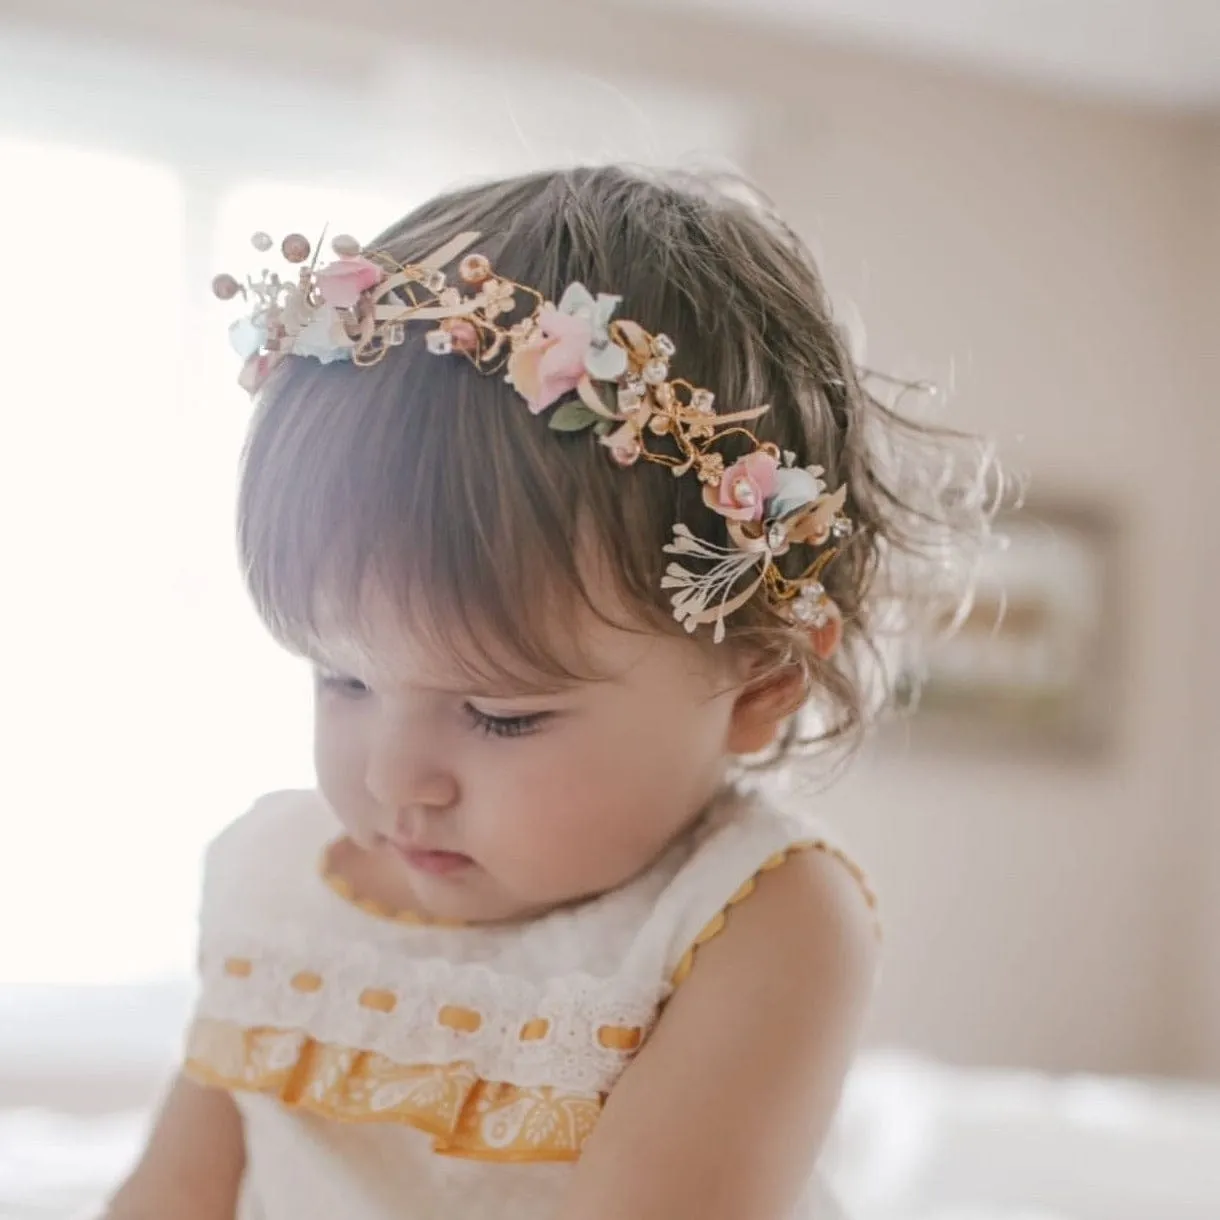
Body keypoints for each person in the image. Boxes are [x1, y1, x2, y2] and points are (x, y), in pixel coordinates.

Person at [105, 165, 993, 1220]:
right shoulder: (277, 882)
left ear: (754, 688)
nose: (395, 778)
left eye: (499, 712)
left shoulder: (756, 915)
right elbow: (170, 1194)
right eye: (341, 676)